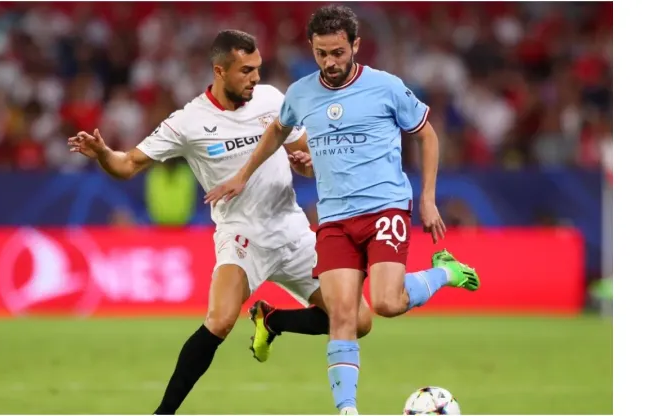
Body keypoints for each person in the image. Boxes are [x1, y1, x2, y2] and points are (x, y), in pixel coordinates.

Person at [68, 29, 374, 415]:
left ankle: (273, 319)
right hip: (241, 235)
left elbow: (308, 155)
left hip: (293, 230)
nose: (255, 78)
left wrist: (310, 165)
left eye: (258, 68)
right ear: (220, 70)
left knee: (359, 320)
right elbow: (127, 165)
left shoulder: (272, 99)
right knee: (220, 320)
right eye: (246, 70)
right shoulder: (189, 122)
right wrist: (102, 154)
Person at [204, 7, 481, 415]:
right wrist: (244, 174)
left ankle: (447, 271)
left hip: (385, 208)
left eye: (337, 52)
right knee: (342, 316)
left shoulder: (385, 87)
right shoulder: (300, 93)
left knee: (387, 303)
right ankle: (347, 410)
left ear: (355, 46)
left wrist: (427, 198)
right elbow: (278, 131)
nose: (330, 62)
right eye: (321, 54)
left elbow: (427, 134)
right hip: (334, 219)